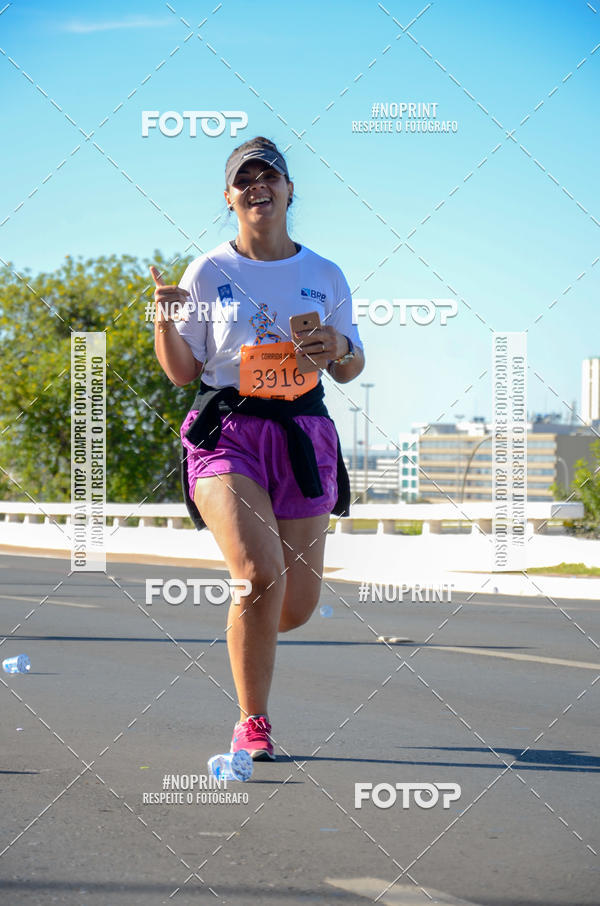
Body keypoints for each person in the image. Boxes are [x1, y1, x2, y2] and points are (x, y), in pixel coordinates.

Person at [152, 136, 365, 761]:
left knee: (295, 606)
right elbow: (183, 373)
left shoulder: (324, 274)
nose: (257, 187)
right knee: (257, 576)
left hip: (302, 433)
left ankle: (244, 630)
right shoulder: (208, 271)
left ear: (290, 189)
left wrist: (338, 348)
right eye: (243, 180)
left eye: (268, 175)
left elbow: (352, 365)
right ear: (229, 198)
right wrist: (163, 321)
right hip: (229, 434)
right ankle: (254, 722)